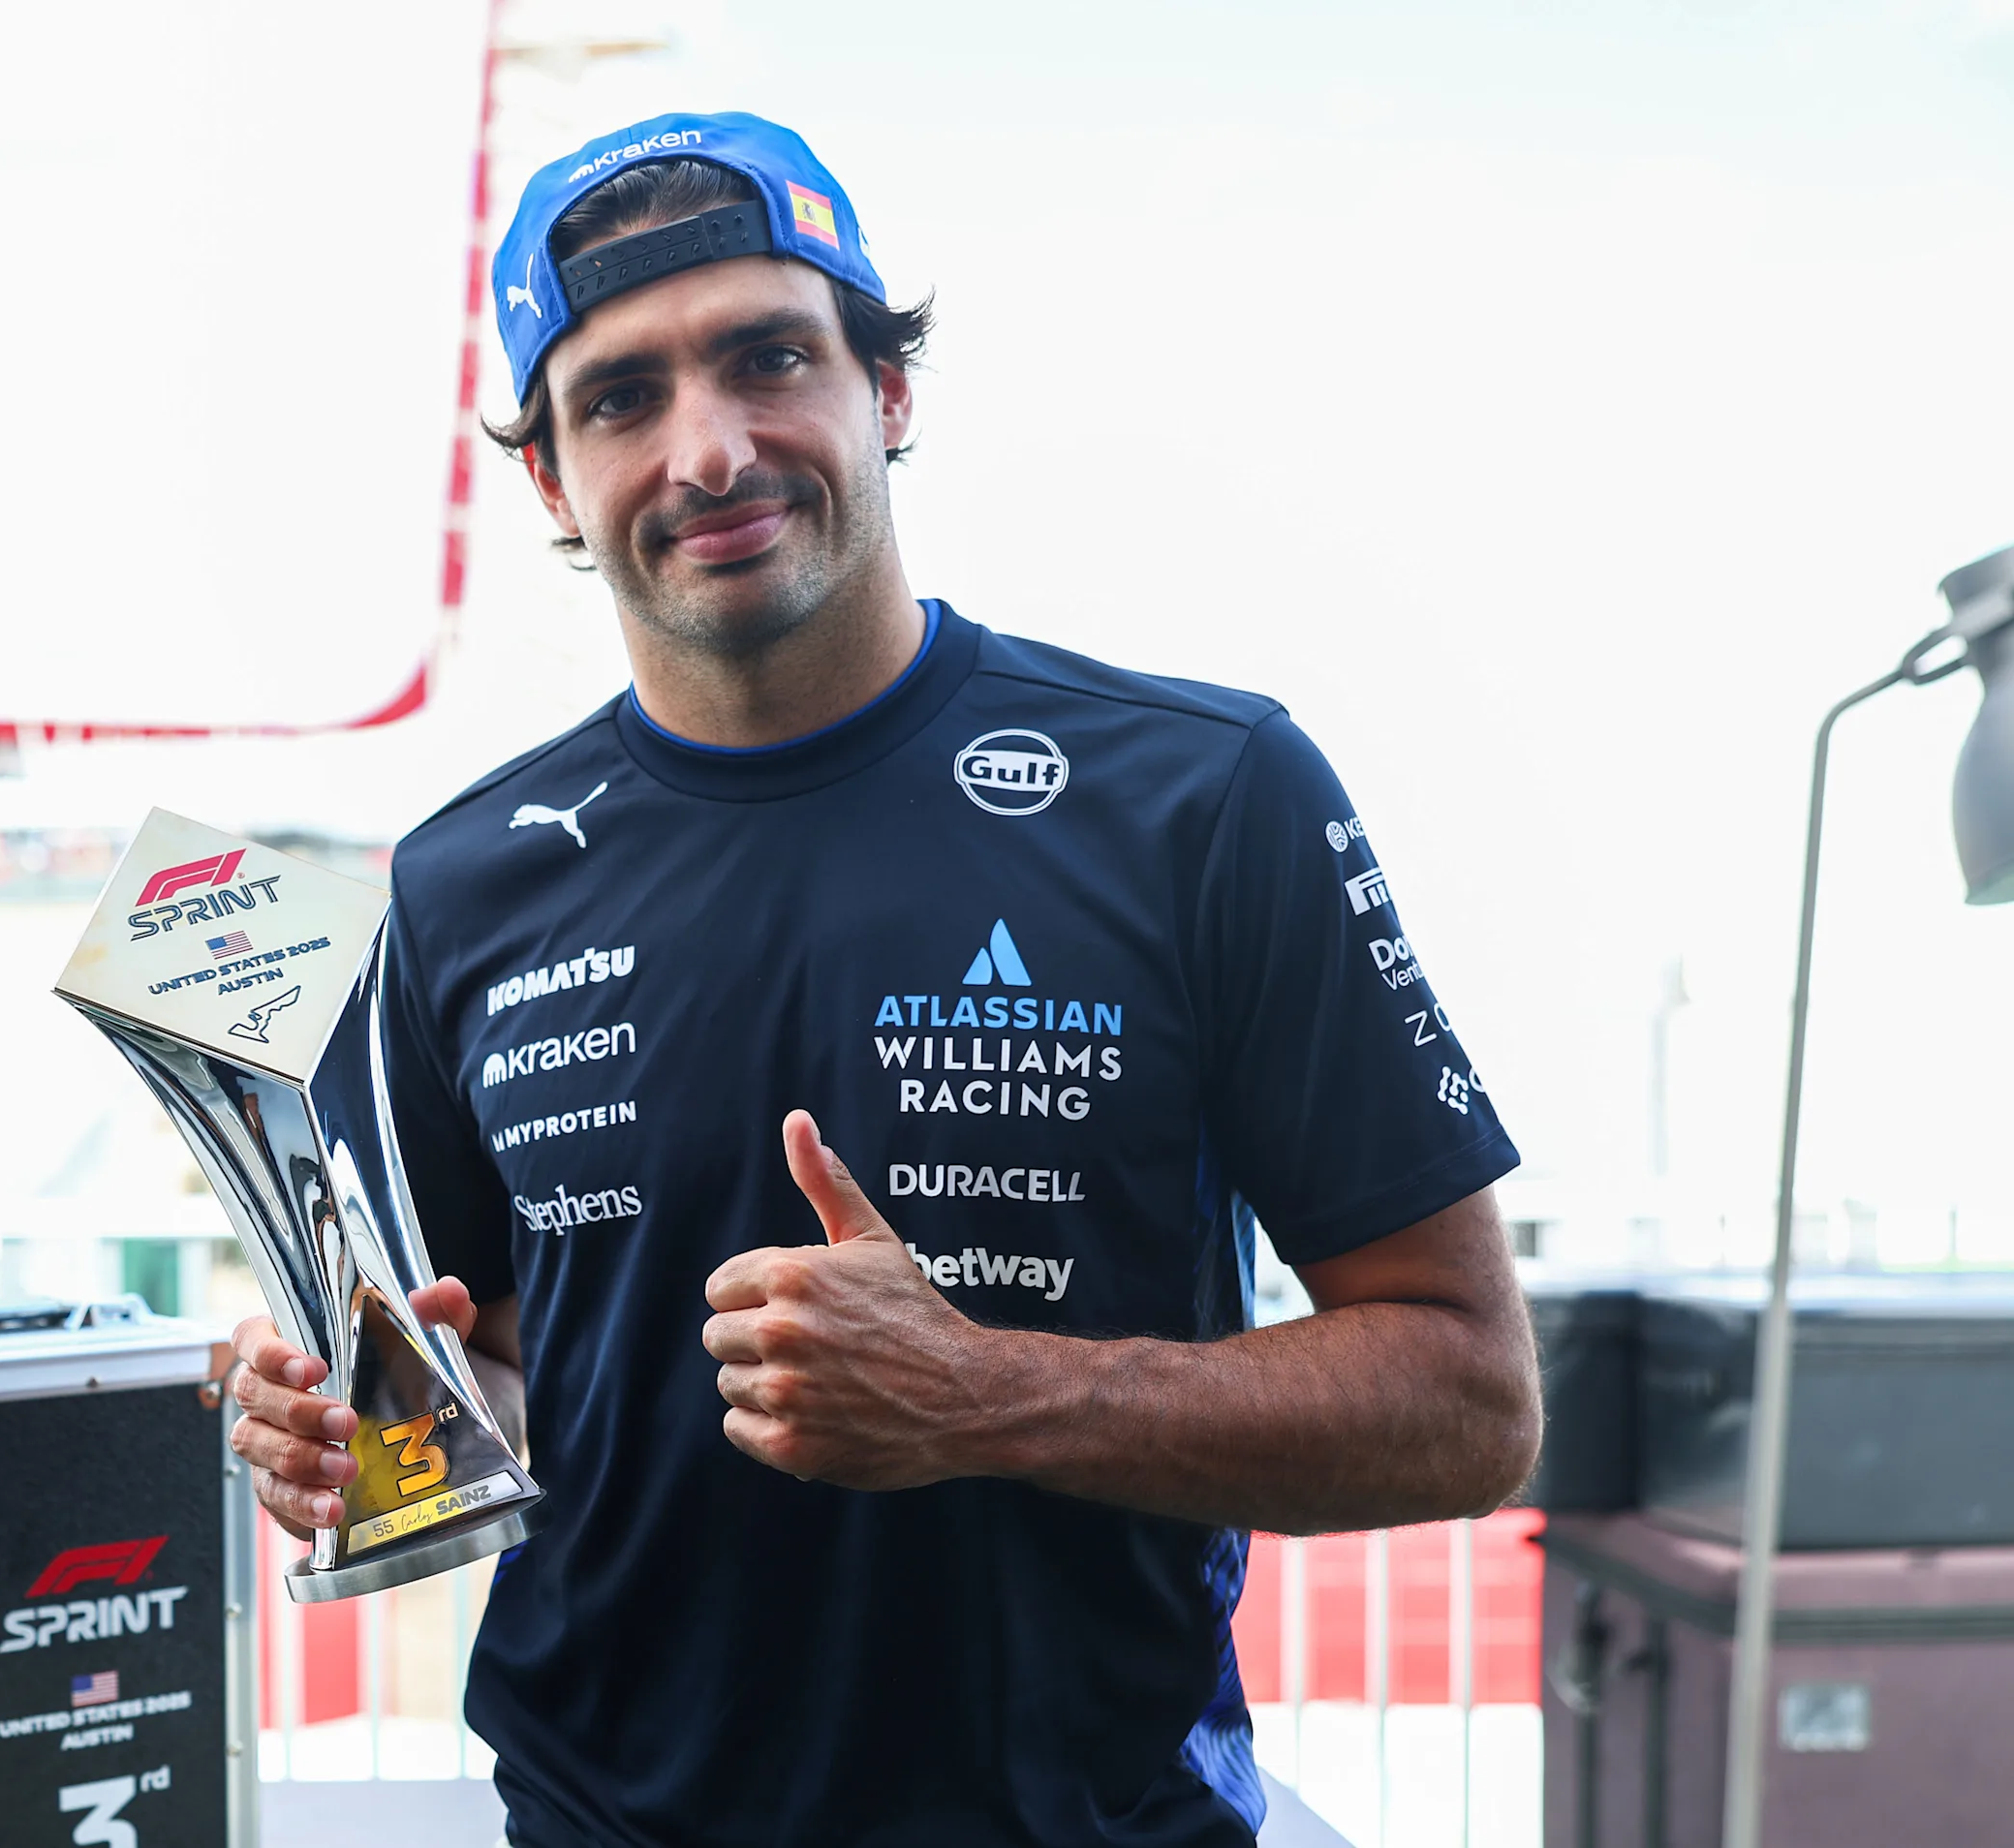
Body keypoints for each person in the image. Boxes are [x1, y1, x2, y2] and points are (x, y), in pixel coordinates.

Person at [227, 111, 1540, 1846]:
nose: (708, 449)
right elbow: (505, 1392)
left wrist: (991, 1394)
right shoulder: (464, 881)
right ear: (550, 475)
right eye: (621, 396)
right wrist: (347, 1413)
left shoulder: (1205, 797)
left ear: (888, 393)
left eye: (769, 356)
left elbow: (1469, 1404)